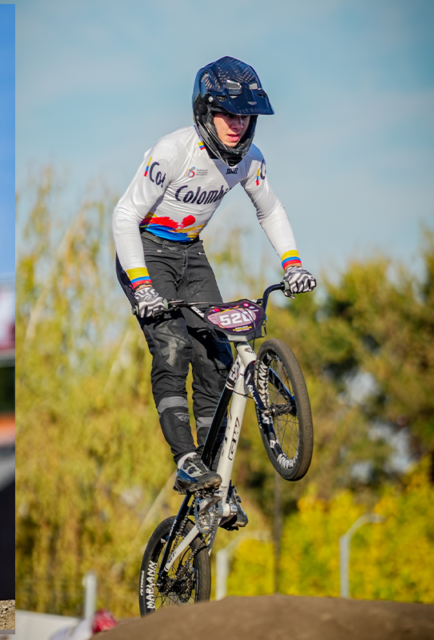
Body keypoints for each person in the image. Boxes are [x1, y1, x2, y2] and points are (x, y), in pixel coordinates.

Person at [112, 57, 316, 528]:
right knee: (172, 347)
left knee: (216, 358)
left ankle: (215, 480)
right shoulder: (173, 152)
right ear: (205, 112)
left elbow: (270, 209)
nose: (237, 124)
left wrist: (294, 264)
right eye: (228, 113)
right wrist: (142, 286)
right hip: (145, 252)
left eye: (246, 115)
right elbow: (123, 216)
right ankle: (185, 460)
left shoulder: (250, 158)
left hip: (191, 254)